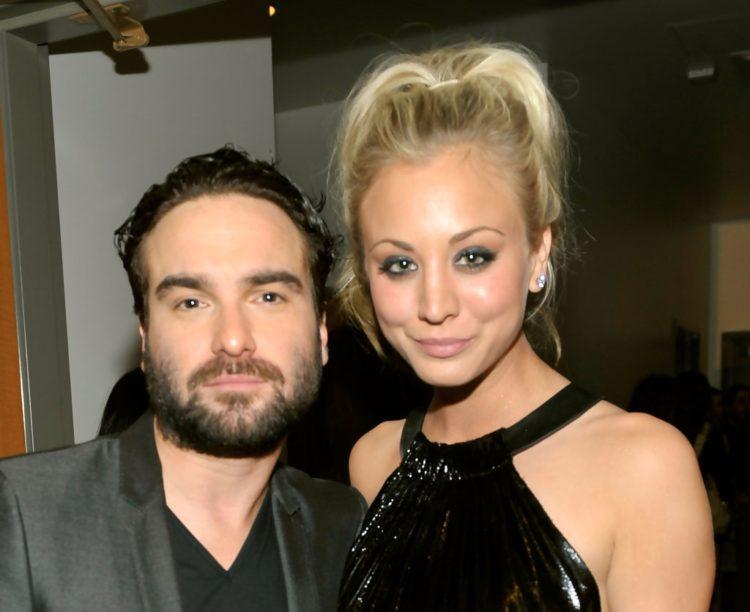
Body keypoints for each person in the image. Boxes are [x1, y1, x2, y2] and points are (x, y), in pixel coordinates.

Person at [333, 44, 714, 610]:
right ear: (365, 272)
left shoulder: (643, 469)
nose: (435, 305)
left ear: (539, 251)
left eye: (473, 257)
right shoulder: (371, 461)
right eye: (400, 264)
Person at [0, 147, 365, 611]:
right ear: (146, 340)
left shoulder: (341, 525)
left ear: (321, 332)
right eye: (191, 303)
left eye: (269, 297)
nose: (233, 339)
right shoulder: (22, 515)